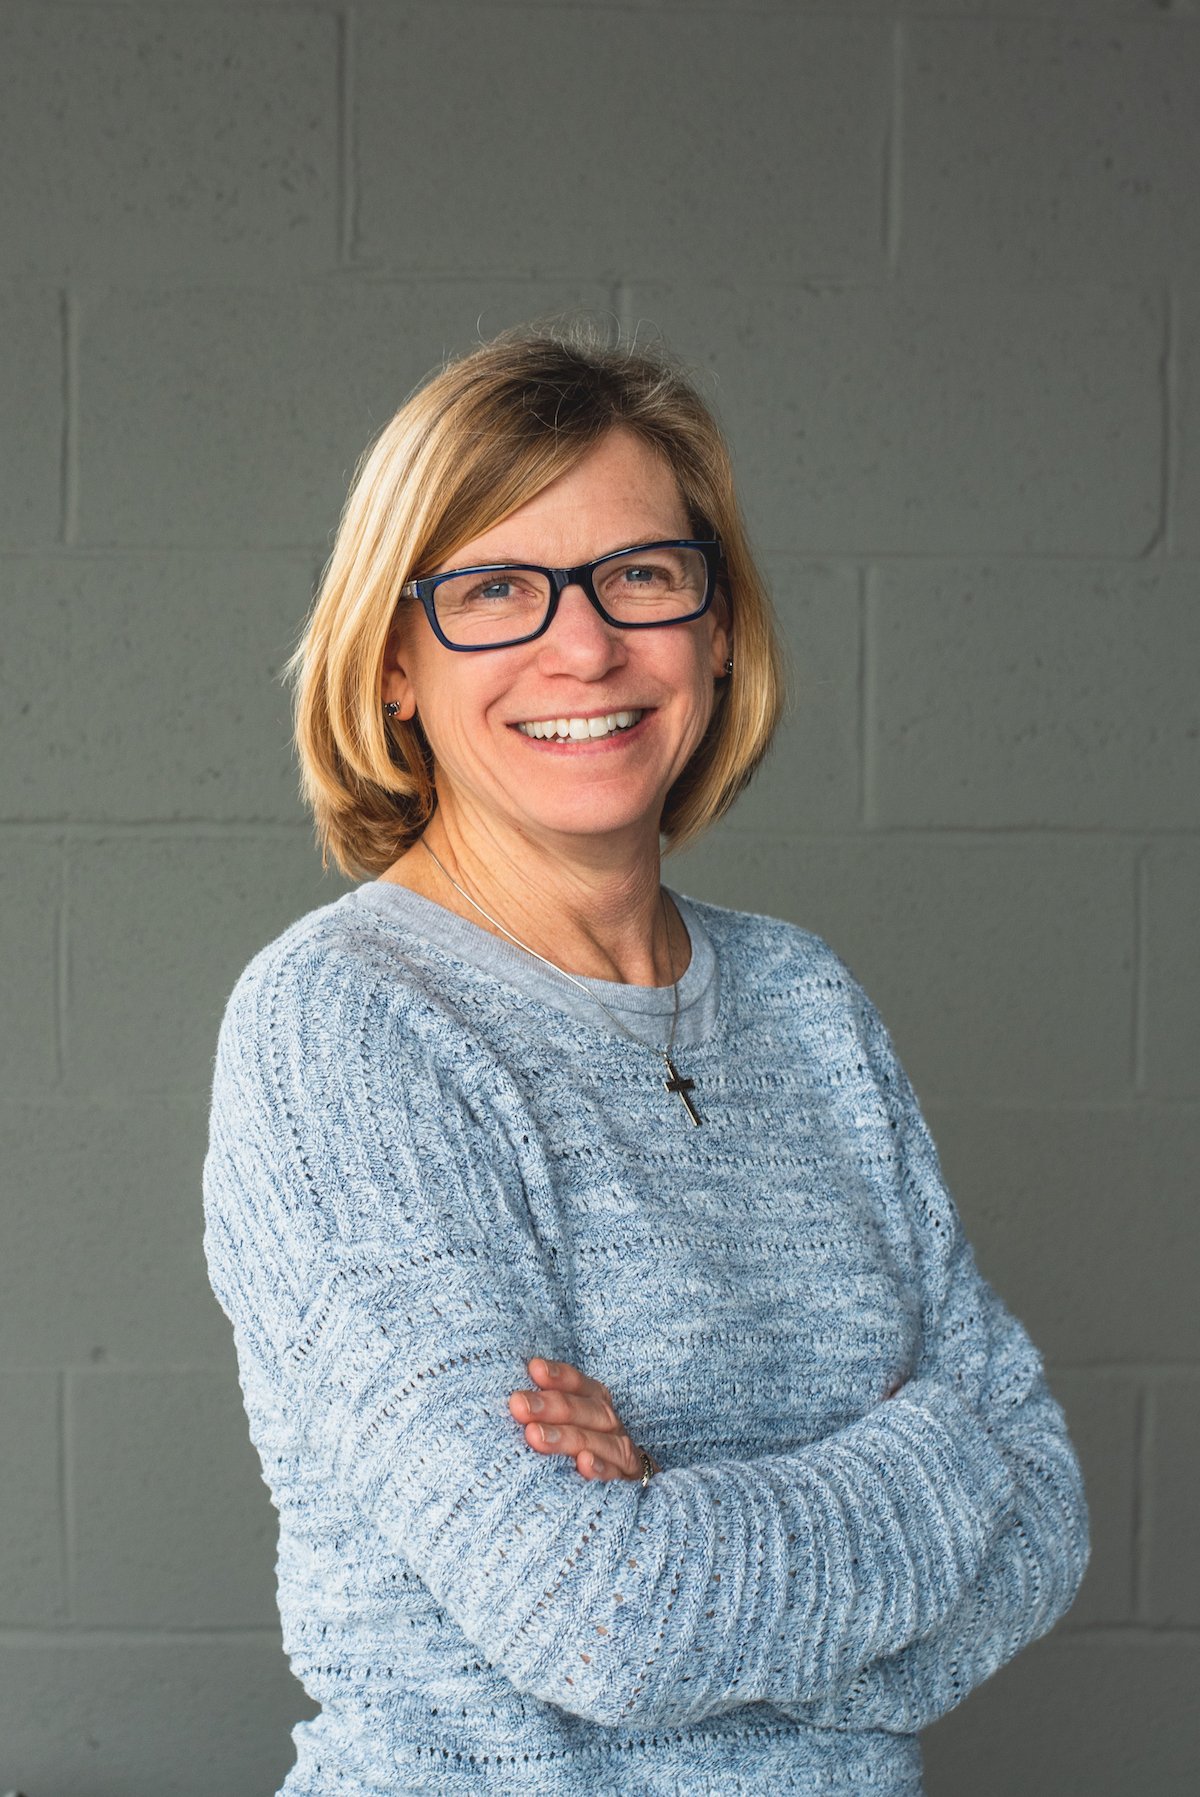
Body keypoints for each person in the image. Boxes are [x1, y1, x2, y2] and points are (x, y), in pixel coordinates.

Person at [202, 320, 1091, 1796]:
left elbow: (1046, 1516)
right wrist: (934, 1460)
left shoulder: (808, 1003)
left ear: (719, 625)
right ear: (398, 660)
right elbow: (598, 1615)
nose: (584, 642)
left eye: (642, 575)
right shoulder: (348, 1025)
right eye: (495, 588)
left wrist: (678, 1512)